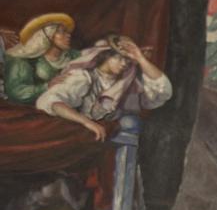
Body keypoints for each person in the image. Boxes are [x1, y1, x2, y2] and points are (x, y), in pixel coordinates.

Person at [36, 34, 172, 141]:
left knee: (131, 123)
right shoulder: (83, 77)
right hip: (80, 134)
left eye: (128, 60)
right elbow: (51, 101)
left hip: (109, 137)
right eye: (119, 58)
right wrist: (87, 122)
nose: (124, 64)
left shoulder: (126, 83)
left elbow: (163, 93)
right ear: (105, 56)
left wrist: (141, 59)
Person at [3, 13, 80, 105]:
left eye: (67, 32)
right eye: (61, 31)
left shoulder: (74, 56)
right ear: (47, 35)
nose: (68, 35)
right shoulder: (23, 60)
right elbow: (16, 92)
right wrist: (46, 87)